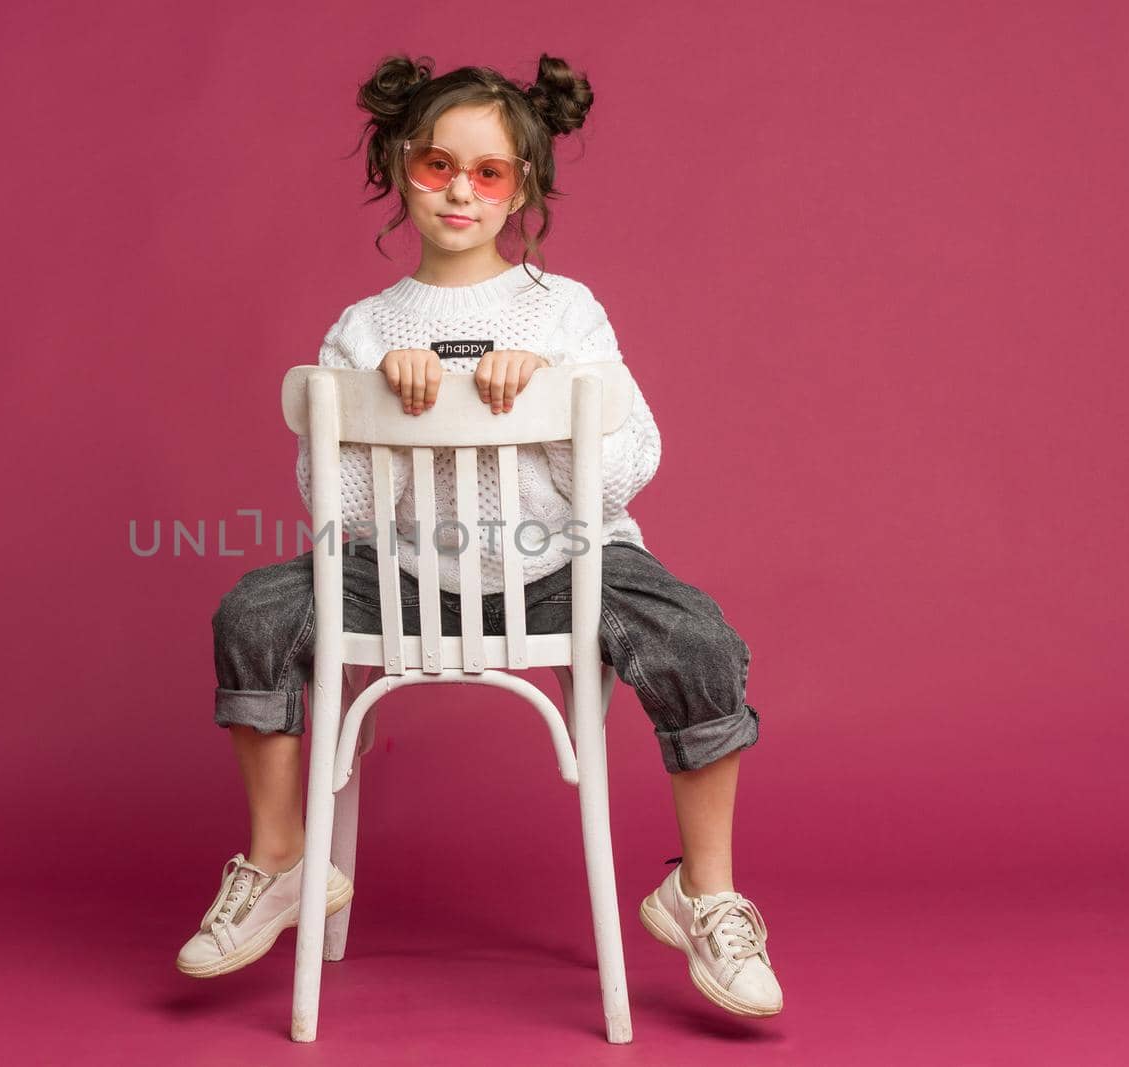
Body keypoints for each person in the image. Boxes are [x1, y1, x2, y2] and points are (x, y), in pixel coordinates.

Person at [175, 52, 783, 1018]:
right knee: (254, 610)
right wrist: (393, 408)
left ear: (522, 188)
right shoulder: (365, 328)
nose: (461, 189)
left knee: (697, 635)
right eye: (436, 164)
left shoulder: (566, 310)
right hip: (405, 570)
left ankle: (704, 890)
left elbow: (632, 462)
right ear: (399, 166)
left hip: (565, 562)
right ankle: (283, 858)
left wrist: (541, 397)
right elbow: (338, 510)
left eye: (489, 172)